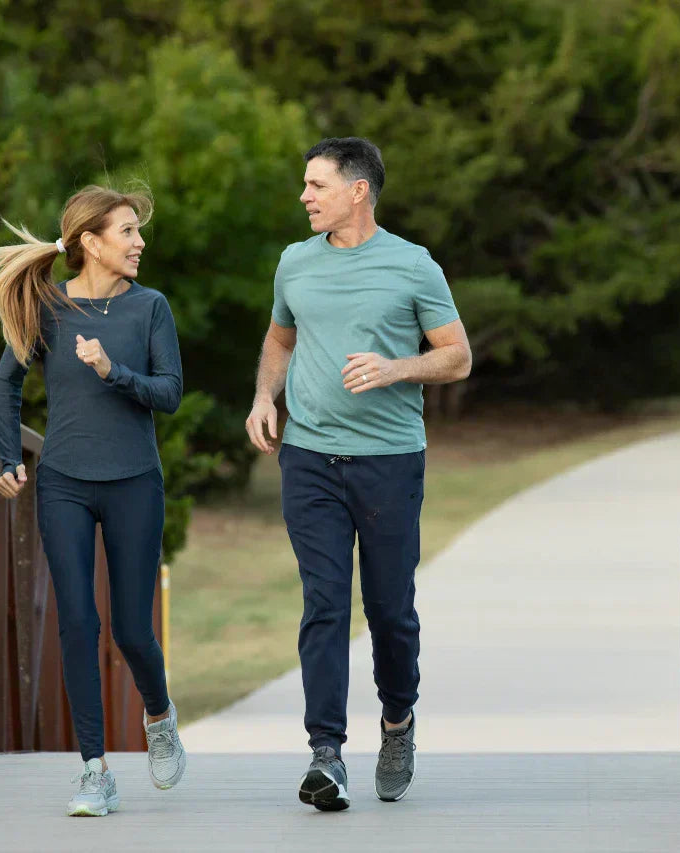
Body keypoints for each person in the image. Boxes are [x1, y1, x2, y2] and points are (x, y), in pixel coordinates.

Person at [246, 138, 472, 810]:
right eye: (304, 185)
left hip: (388, 462)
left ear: (357, 190)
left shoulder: (411, 266)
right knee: (323, 603)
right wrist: (264, 397)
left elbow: (456, 357)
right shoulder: (294, 262)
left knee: (390, 610)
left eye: (315, 185)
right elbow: (279, 340)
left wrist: (395, 367)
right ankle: (326, 753)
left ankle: (397, 722)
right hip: (309, 458)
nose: (303, 196)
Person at [0, 184, 187, 817]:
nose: (139, 242)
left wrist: (111, 373)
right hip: (65, 482)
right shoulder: (46, 309)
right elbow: (6, 384)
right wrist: (10, 458)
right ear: (91, 243)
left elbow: (170, 393)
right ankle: (94, 770)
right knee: (76, 620)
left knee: (130, 628)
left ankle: (158, 715)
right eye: (127, 231)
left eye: (137, 231)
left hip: (133, 482)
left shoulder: (151, 307)